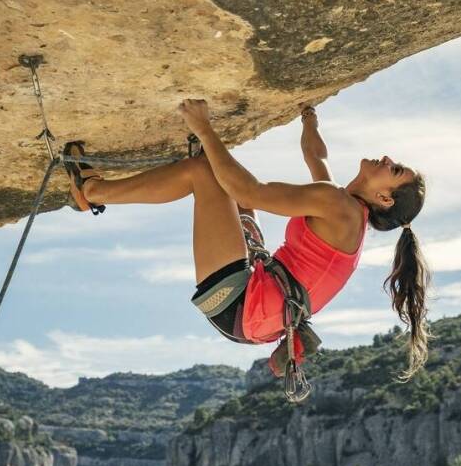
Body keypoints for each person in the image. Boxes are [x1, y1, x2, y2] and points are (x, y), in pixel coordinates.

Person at [64, 100, 430, 380]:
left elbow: (252, 192)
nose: (386, 159)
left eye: (393, 170)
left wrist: (205, 129)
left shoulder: (340, 208)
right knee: (223, 178)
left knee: (205, 173)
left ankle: (92, 191)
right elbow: (315, 155)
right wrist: (308, 115)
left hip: (241, 303)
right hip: (256, 310)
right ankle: (191, 157)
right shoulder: (343, 206)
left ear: (385, 198)